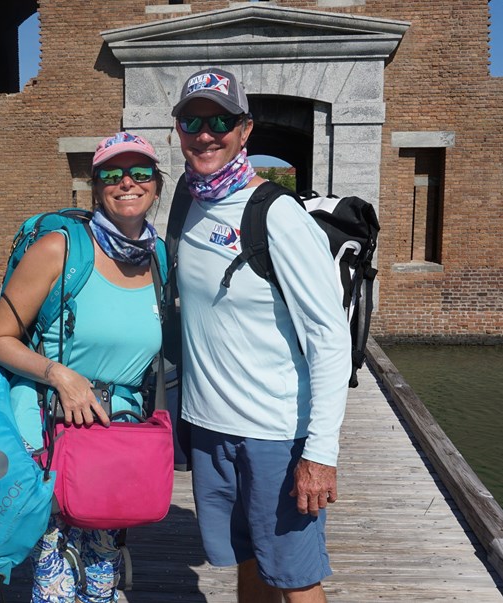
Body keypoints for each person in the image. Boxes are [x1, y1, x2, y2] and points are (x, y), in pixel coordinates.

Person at [168, 67, 351, 603]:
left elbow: (329, 338)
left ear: (244, 130)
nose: (205, 133)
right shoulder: (186, 198)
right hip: (209, 428)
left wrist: (319, 452)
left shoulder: (278, 215)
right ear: (177, 128)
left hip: (275, 434)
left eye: (220, 120)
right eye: (192, 120)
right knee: (248, 561)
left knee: (296, 579)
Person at [0, 132, 165, 602]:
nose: (127, 182)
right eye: (111, 174)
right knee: (57, 579)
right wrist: (60, 376)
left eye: (140, 172)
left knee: (102, 574)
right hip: (51, 434)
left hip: (117, 436)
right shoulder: (60, 249)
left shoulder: (160, 257)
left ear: (157, 186)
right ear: (95, 186)